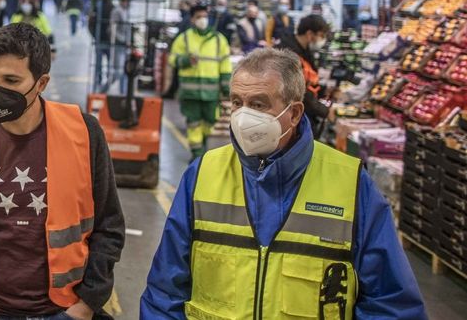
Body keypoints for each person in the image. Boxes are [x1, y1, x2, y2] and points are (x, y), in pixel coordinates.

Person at [140, 48, 427, 319]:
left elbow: (390, 301)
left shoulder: (351, 185)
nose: (242, 117)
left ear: (294, 113)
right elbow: (165, 291)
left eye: (258, 104)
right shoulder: (202, 174)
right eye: (237, 102)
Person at [0, 23, 126, 320]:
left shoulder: (83, 132)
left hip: (63, 311)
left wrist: (85, 306)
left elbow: (108, 226)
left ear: (41, 83)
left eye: (11, 80)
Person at [167, 2, 232, 160]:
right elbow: (173, 59)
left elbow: (225, 64)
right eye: (199, 17)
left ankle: (201, 145)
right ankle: (197, 155)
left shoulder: (218, 40)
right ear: (192, 19)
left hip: (211, 92)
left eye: (205, 16)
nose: (202, 19)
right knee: (194, 123)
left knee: (210, 121)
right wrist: (185, 61)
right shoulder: (184, 39)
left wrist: (226, 88)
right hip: (190, 92)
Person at [283, 14, 335, 139]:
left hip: (304, 116)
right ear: (310, 34)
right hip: (293, 120)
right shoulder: (289, 54)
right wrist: (325, 112)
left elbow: (308, 82)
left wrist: (324, 90)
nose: (323, 40)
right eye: (321, 36)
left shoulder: (305, 52)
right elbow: (299, 92)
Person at [106, 0, 133, 93]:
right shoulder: (117, 11)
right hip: (117, 45)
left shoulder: (126, 11)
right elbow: (113, 28)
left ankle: (123, 93)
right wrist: (121, 40)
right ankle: (102, 91)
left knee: (125, 71)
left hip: (124, 45)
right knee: (118, 72)